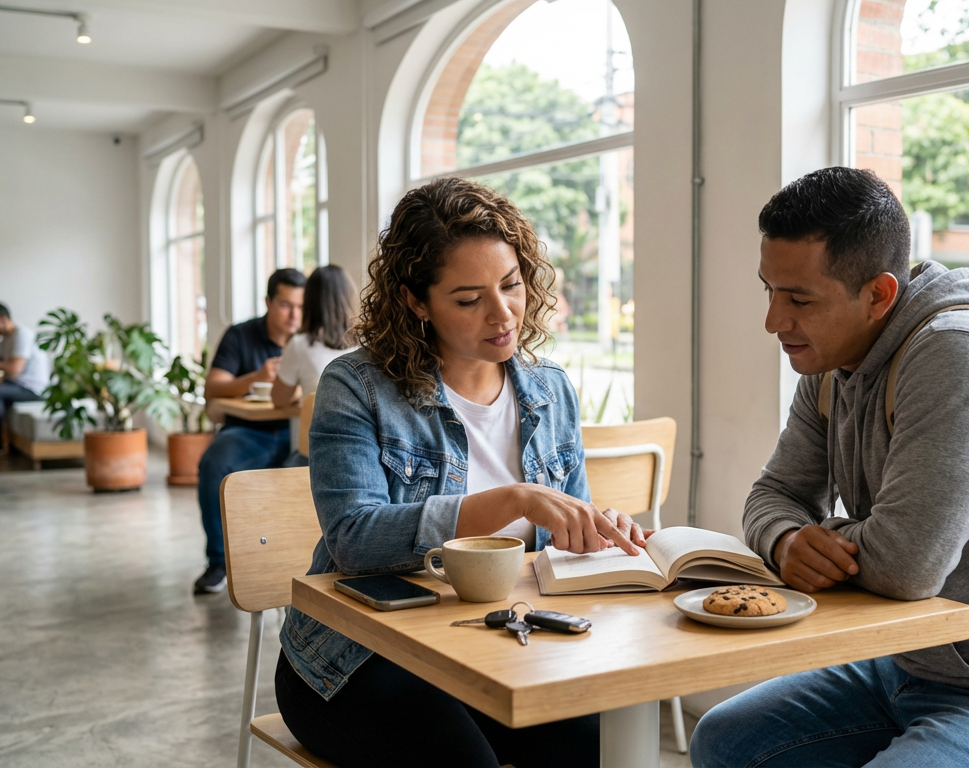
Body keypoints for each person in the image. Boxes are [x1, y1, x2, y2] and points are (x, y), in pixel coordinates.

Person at [689, 168, 969, 767]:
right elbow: (776, 492)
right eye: (769, 290)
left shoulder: (961, 353)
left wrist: (825, 538)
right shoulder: (829, 360)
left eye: (799, 299)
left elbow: (906, 566)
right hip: (908, 664)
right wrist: (787, 539)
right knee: (724, 742)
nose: (774, 321)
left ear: (878, 295)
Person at [274, 177, 645, 768]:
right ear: (416, 302)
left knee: (599, 741)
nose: (503, 314)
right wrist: (514, 500)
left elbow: (562, 543)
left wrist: (593, 528)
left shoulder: (550, 389)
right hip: (355, 660)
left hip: (499, 644)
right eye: (469, 300)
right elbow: (354, 539)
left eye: (511, 285)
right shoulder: (356, 386)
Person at [192, 268, 305, 594]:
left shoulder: (309, 340)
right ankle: (219, 562)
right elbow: (213, 388)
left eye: (300, 307)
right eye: (285, 305)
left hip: (299, 431)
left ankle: (299, 564)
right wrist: (256, 376)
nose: (294, 315)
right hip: (249, 431)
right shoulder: (240, 335)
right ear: (268, 302)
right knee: (215, 462)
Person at [271, 264, 360, 466]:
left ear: (309, 301)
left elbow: (278, 399)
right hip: (359, 452)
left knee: (280, 464)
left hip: (314, 458)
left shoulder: (300, 344)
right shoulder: (367, 344)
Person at [0, 303, 53, 457]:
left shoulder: (22, 335)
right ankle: (5, 441)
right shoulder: (4, 340)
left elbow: (13, 369)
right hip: (16, 385)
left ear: (3, 319)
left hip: (33, 389)